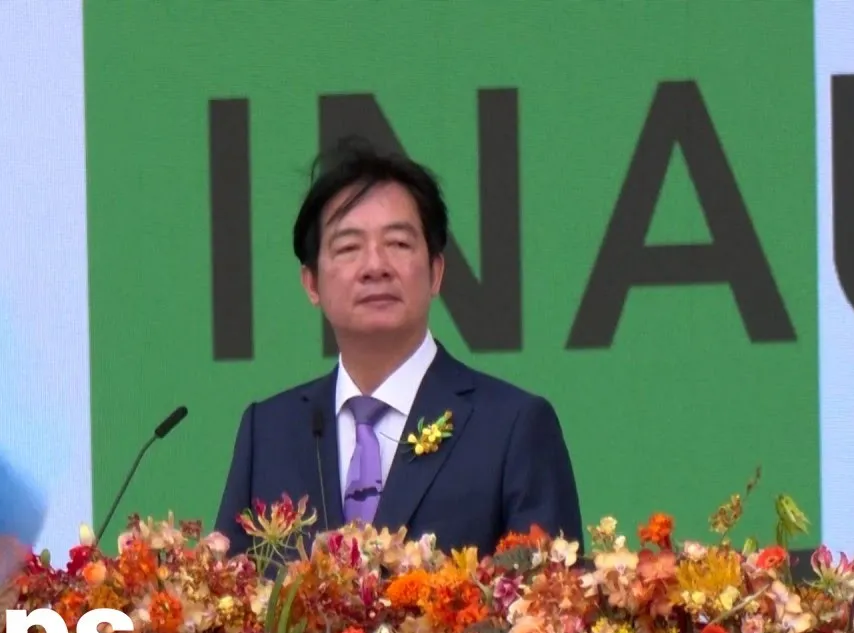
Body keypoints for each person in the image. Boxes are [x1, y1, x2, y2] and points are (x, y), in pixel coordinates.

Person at [214, 141, 583, 557]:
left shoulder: (512, 427)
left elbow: (552, 592)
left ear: (436, 272)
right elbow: (231, 587)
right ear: (312, 283)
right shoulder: (268, 433)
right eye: (348, 247)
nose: (375, 266)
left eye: (398, 244)